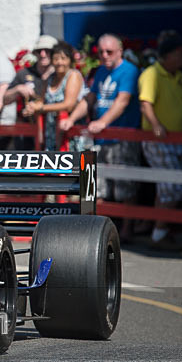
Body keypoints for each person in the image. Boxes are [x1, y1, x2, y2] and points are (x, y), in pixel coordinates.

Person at [63, 33, 141, 239]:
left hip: (122, 138)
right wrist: (72, 119)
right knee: (98, 186)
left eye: (109, 52)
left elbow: (122, 101)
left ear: (120, 51)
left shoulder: (129, 71)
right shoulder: (100, 71)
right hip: (101, 138)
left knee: (125, 186)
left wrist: (103, 122)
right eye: (101, 52)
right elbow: (90, 98)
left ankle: (127, 230)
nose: (105, 56)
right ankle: (99, 231)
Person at [136, 31, 182, 244]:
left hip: (176, 140)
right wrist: (156, 125)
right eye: (179, 54)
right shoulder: (151, 73)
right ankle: (160, 232)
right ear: (168, 55)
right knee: (172, 185)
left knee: (166, 186)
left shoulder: (179, 76)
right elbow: (145, 103)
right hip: (159, 141)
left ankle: (159, 230)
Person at [23, 42, 86, 151]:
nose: (59, 62)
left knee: (74, 161)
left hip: (69, 133)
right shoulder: (50, 78)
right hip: (51, 133)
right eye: (56, 59)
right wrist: (32, 107)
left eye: (63, 58)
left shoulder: (73, 75)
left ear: (70, 60)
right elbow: (42, 101)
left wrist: (41, 108)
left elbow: (69, 105)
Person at [4, 34, 56, 149]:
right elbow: (4, 100)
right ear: (35, 53)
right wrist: (18, 89)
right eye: (39, 51)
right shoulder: (24, 73)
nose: (43, 54)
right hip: (28, 134)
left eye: (47, 51)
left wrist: (38, 107)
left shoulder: (60, 75)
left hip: (54, 132)